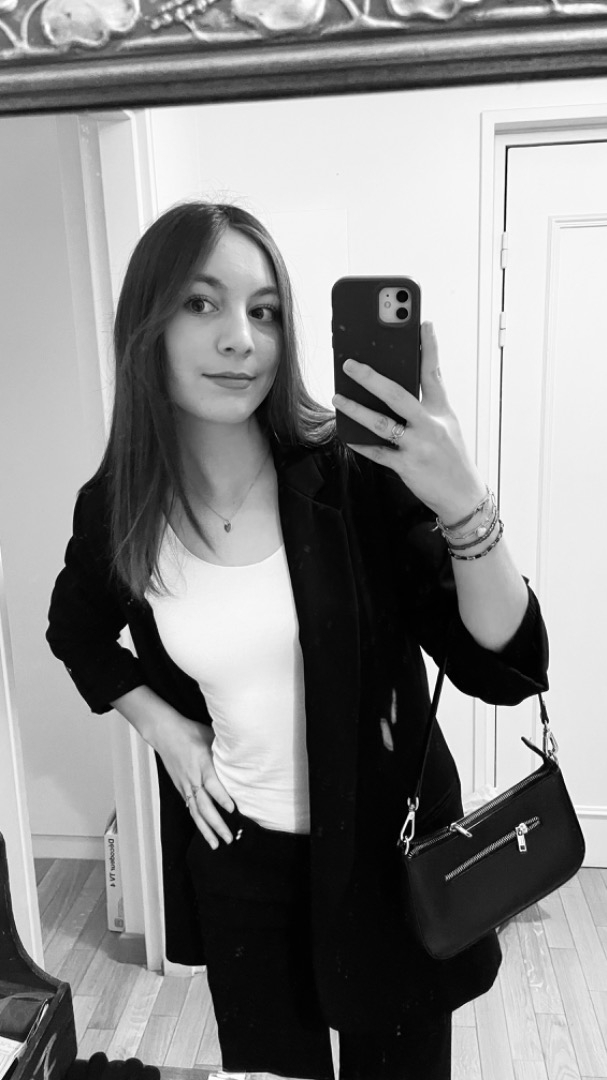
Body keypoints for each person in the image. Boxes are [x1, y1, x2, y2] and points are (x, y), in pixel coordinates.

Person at [47, 201, 548, 1080]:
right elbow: (75, 629)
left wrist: (462, 501)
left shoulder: (349, 478)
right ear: (146, 327)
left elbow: (501, 667)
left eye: (265, 310)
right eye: (202, 303)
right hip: (242, 864)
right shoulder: (122, 508)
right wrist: (165, 730)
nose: (240, 339)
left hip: (389, 857)